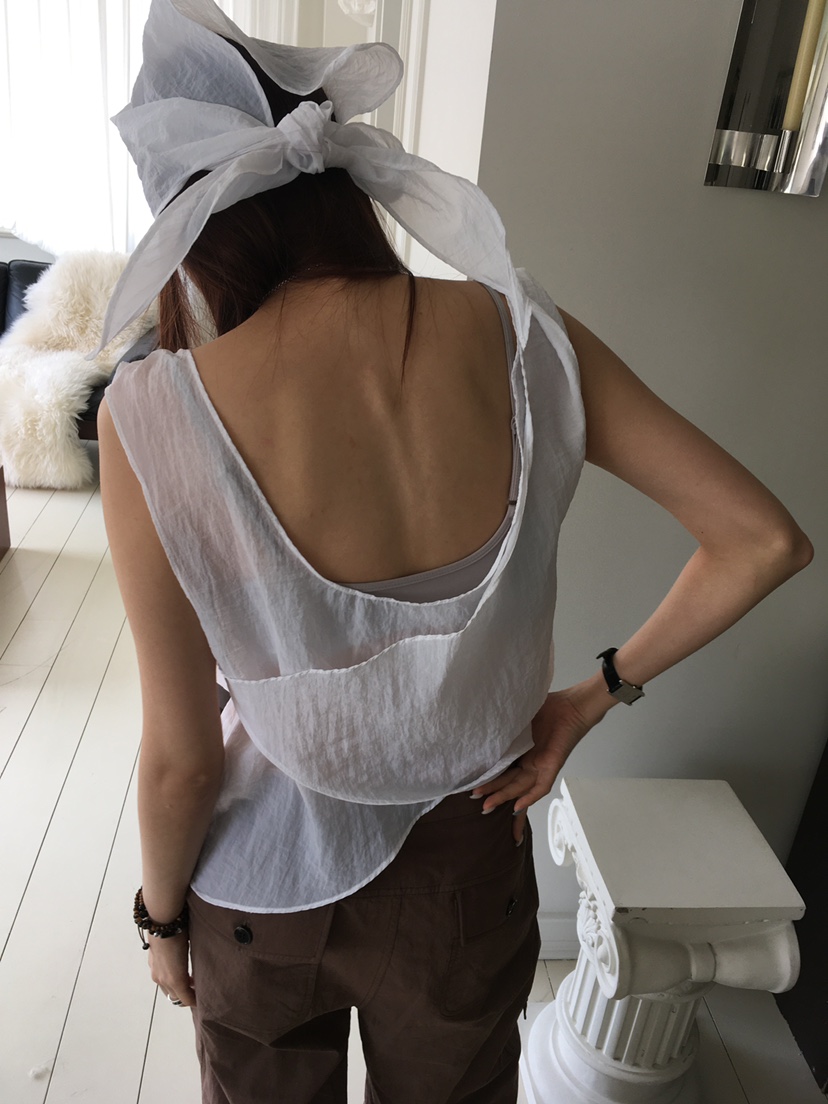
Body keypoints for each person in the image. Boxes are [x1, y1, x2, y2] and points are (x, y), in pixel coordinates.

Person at [97, 1, 813, 1102]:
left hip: (260, 888)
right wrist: (590, 699)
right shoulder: (527, 338)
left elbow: (182, 760)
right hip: (466, 869)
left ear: (194, 218)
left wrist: (159, 919)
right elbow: (762, 541)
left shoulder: (152, 414)